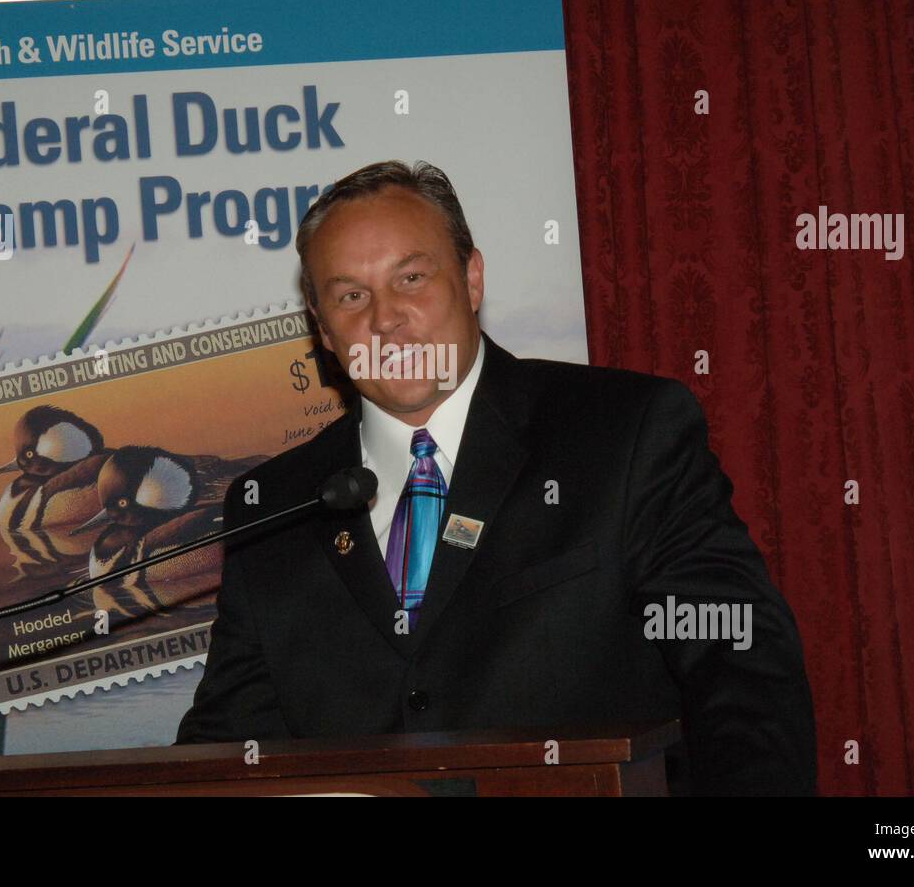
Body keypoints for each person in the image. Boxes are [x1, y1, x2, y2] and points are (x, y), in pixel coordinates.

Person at [175, 159, 817, 795]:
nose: (385, 319)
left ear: (472, 279)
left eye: (412, 277)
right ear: (322, 329)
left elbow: (739, 660)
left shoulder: (620, 434)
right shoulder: (277, 505)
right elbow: (228, 747)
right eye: (350, 296)